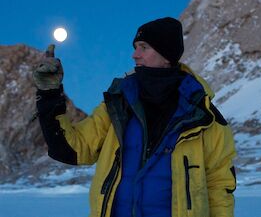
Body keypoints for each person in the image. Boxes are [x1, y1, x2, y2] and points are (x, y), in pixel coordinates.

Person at [32, 17, 237, 217]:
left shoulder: (204, 115)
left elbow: (219, 186)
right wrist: (49, 94)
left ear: (167, 55)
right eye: (135, 47)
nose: (134, 55)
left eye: (143, 47)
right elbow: (71, 149)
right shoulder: (118, 104)